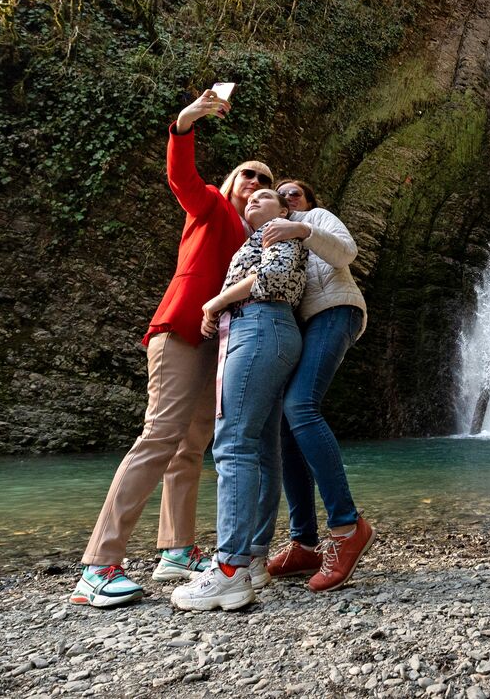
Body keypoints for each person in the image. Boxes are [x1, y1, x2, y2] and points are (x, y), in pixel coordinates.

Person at [74, 91, 271, 608]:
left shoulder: (258, 244)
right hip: (181, 330)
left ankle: (177, 550)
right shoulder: (209, 205)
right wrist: (185, 123)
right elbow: (181, 177)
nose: (256, 183)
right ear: (231, 183)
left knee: (192, 446)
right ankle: (97, 566)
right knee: (159, 436)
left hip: (218, 344)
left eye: (266, 181)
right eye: (248, 174)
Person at [171, 187, 308, 611]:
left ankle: (229, 569)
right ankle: (251, 559)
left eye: (266, 196)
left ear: (284, 210)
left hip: (258, 328)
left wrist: (216, 302)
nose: (254, 200)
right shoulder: (262, 235)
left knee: (232, 445)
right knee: (263, 449)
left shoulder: (279, 231)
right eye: (250, 198)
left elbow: (271, 278)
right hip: (269, 331)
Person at [253, 179, 373, 592]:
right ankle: (304, 542)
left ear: (307, 203)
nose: (287, 197)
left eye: (295, 193)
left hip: (335, 311)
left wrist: (302, 228)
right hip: (300, 327)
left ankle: (346, 526)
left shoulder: (314, 220)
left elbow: (346, 253)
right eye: (280, 193)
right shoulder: (265, 238)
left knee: (301, 406)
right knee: (286, 424)